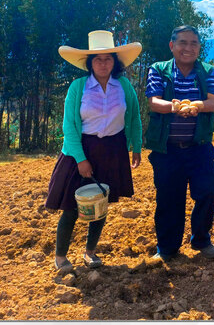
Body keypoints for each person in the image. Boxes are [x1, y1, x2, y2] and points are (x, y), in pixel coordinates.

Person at [46, 30, 143, 272]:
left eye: (108, 58)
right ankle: (60, 257)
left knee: (100, 203)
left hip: (113, 149)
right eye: (97, 59)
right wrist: (80, 159)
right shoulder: (78, 87)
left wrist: (136, 146)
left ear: (115, 62)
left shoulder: (124, 87)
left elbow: (134, 118)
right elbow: (69, 126)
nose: (103, 63)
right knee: (71, 205)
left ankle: (90, 252)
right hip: (80, 149)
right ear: (90, 63)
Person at [145, 25, 214, 261]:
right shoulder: (158, 69)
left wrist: (196, 106)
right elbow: (154, 102)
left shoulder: (208, 71)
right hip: (167, 150)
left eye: (194, 43)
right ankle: (167, 248)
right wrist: (174, 107)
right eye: (183, 43)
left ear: (199, 47)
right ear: (172, 46)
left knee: (208, 192)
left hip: (199, 148)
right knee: (169, 198)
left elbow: (213, 102)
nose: (188, 48)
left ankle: (200, 239)